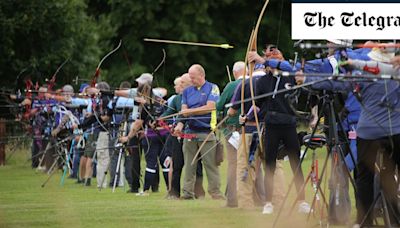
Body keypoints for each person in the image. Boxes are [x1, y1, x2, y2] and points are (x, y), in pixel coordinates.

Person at [296, 52, 400, 226]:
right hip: (394, 132)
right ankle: (395, 218)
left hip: (368, 133)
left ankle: (364, 220)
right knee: (389, 174)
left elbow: (333, 83)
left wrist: (306, 79)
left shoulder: (363, 75)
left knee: (365, 177)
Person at [248, 46, 311, 214]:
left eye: (274, 55)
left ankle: (302, 201)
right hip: (271, 125)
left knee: (295, 162)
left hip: (289, 123)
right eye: (268, 56)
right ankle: (268, 202)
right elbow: (259, 104)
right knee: (269, 164)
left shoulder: (290, 74)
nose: (271, 59)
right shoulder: (262, 81)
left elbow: (294, 73)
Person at [174, 64, 223, 200]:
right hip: (189, 132)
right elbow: (183, 111)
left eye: (193, 77)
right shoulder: (187, 91)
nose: (191, 80)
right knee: (189, 166)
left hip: (206, 132)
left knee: (210, 165)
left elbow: (210, 107)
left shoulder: (212, 88)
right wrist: (179, 126)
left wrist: (189, 111)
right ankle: (187, 193)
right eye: (190, 77)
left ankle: (215, 193)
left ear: (202, 75)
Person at [216, 61, 245, 207]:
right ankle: (260, 198)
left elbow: (219, 105)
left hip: (233, 130)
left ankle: (232, 200)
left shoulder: (231, 86)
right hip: (249, 129)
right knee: (251, 163)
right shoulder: (253, 83)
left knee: (233, 164)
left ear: (234, 73)